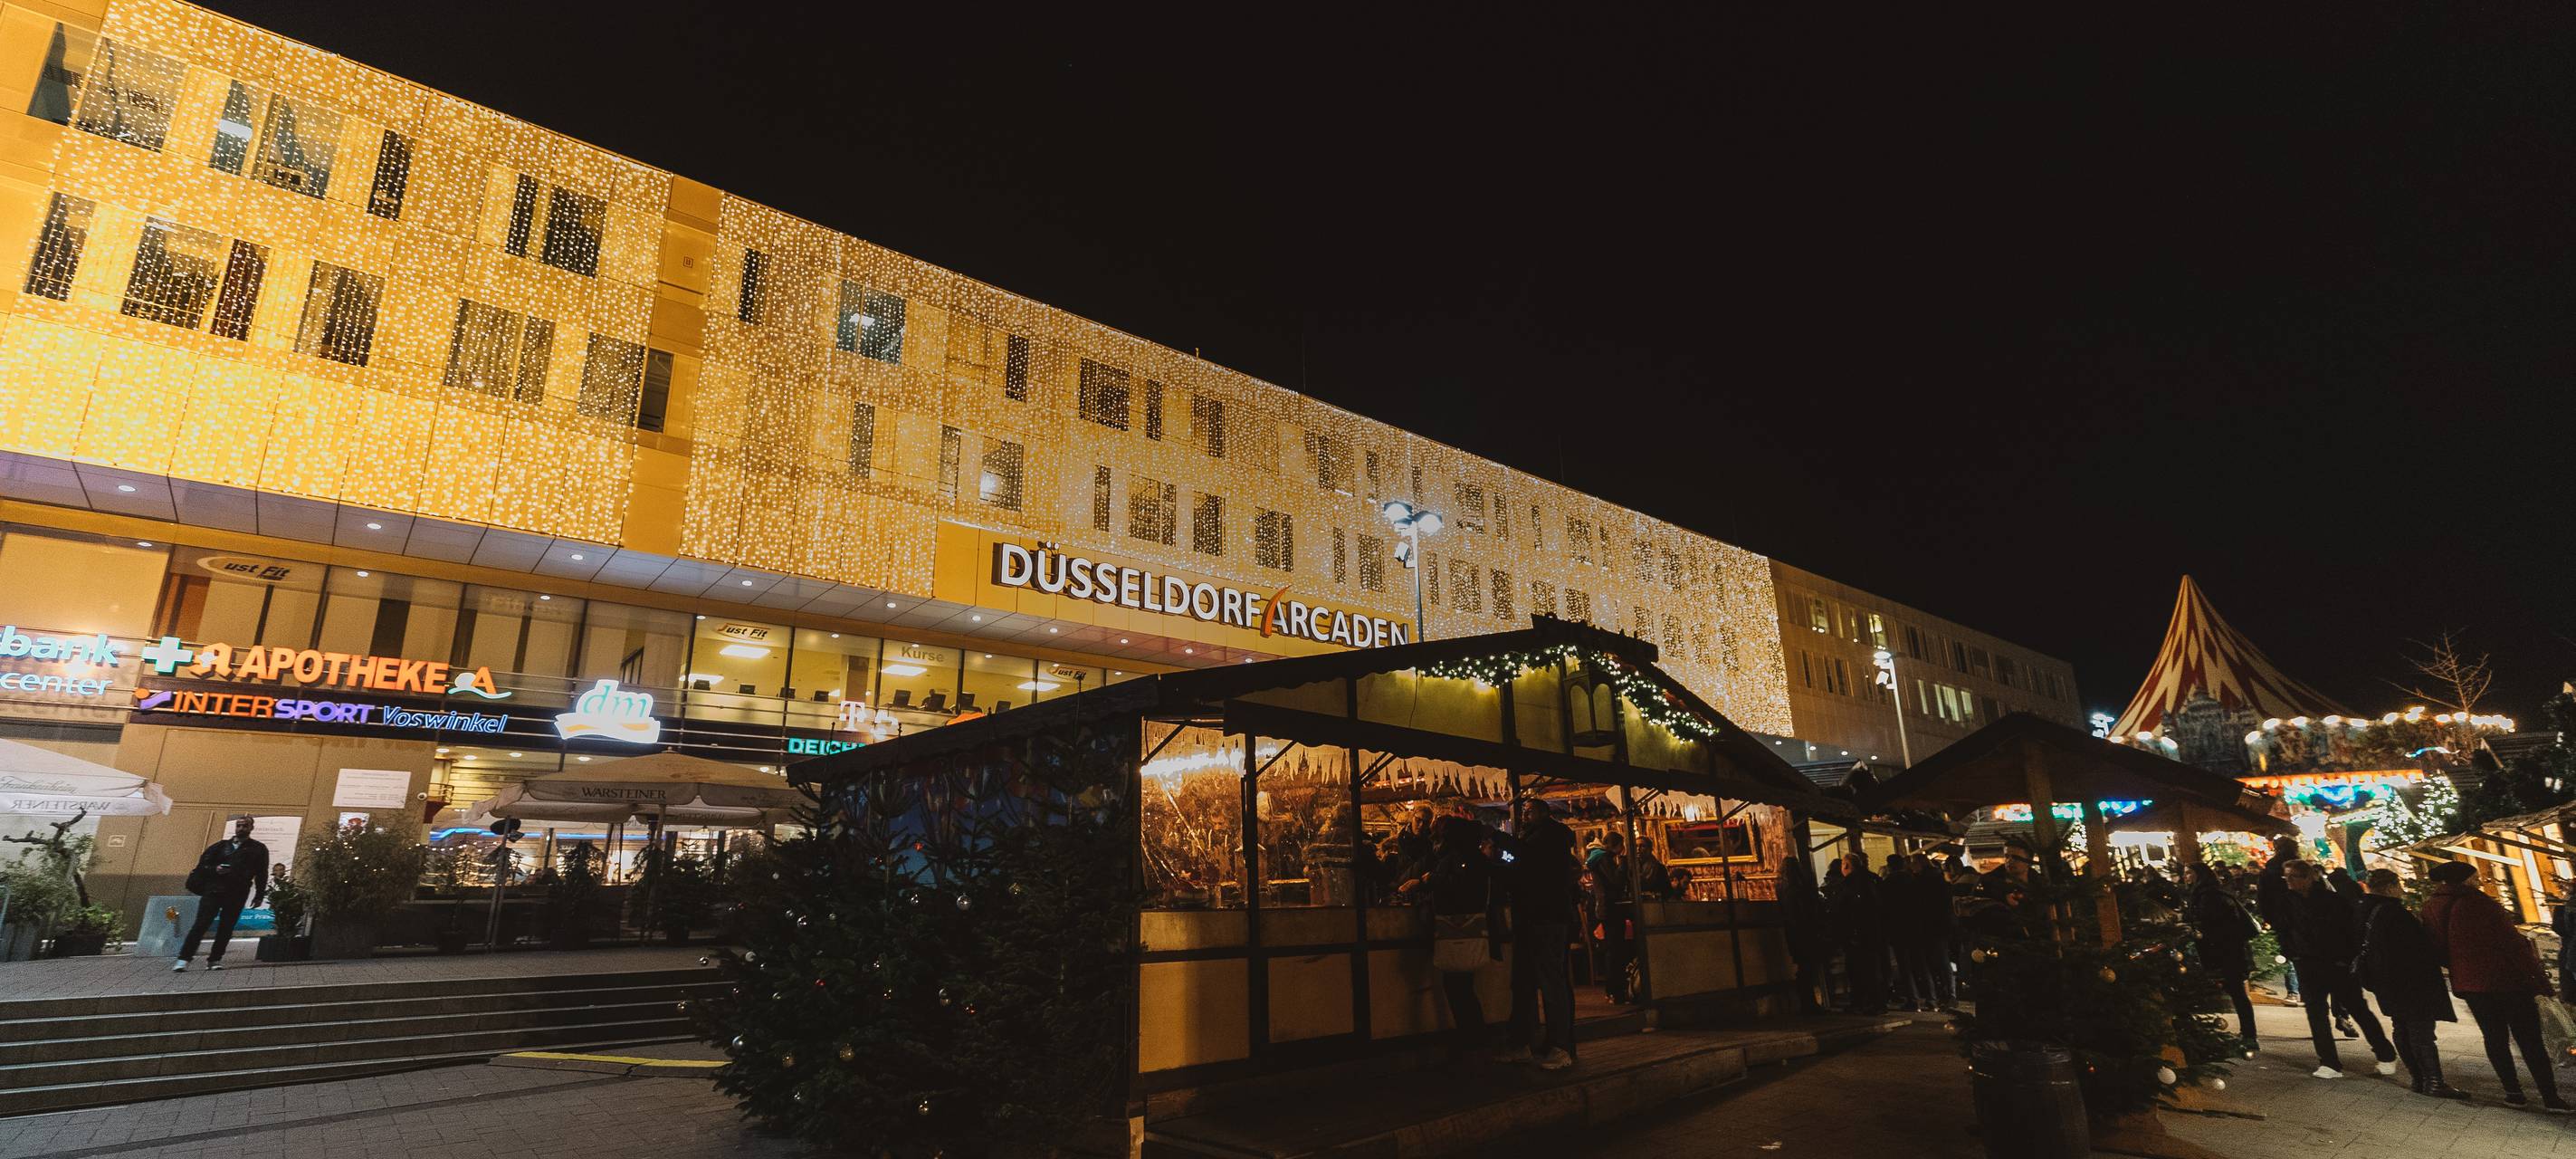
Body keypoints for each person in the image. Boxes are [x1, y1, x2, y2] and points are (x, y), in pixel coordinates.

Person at [2422, 860, 2571, 1111]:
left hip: (2470, 983)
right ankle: (2550, 1096)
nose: (2480, 881)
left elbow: (2436, 946)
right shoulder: (2480, 904)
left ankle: (2513, 1093)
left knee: (2494, 1037)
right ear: (2466, 880)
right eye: (2476, 877)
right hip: (2506, 981)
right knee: (2529, 1039)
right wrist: (2540, 982)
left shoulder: (2431, 907)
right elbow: (2514, 946)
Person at [2280, 859, 2397, 1078]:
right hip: (2307, 964)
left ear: (2307, 877)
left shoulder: (2331, 901)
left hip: (2336, 964)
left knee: (2358, 1009)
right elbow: (2285, 931)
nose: (2289, 882)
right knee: (2316, 1014)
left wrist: (2345, 958)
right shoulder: (2288, 903)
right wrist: (2292, 953)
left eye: (2293, 877)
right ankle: (2329, 1063)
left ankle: (2385, 1053)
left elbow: (2348, 930)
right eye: (2286, 877)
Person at [2357, 869, 2466, 1099]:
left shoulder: (2364, 910)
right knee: (2421, 1032)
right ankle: (2433, 1081)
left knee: (2402, 1027)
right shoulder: (2394, 913)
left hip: (2385, 981)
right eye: (2398, 885)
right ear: (2390, 887)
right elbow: (2417, 949)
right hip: (2411, 981)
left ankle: (2419, 1078)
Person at [1493, 809, 1579, 1070]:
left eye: (1530, 810)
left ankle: (1559, 1047)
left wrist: (1498, 843)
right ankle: (1528, 1042)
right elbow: (1520, 866)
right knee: (1527, 982)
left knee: (1547, 982)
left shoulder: (1546, 841)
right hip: (1535, 918)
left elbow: (1525, 863)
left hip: (1544, 919)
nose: (1523, 815)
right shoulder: (1540, 842)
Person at [1417, 815, 1495, 1055]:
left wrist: (1430, 880)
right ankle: (1473, 1036)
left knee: (1457, 986)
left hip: (1455, 925)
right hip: (1471, 925)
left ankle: (1471, 1037)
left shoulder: (1456, 858)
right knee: (1463, 986)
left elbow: (1455, 886)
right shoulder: (1475, 856)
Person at [176, 816, 269, 972]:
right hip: (214, 890)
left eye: (245, 826)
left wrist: (259, 895)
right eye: (239, 825)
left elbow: (262, 873)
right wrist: (215, 869)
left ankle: (215, 959)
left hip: (237, 892)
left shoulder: (258, 849)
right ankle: (183, 959)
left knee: (226, 928)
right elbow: (202, 866)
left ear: (251, 828)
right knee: (200, 925)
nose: (241, 828)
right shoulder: (219, 846)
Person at [2186, 863, 2260, 1048]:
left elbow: (2216, 924)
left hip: (2228, 951)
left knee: (2237, 992)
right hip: (2227, 950)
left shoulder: (2210, 895)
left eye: (2189, 873)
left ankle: (2250, 1036)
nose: (2186, 876)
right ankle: (2248, 1034)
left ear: (2199, 875)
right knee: (2236, 992)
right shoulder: (2209, 893)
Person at [1829, 851, 1887, 1015]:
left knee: (1859, 970)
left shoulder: (1851, 884)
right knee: (1872, 969)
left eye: (1843, 864)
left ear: (1846, 866)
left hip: (1858, 935)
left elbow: (1851, 911)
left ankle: (1866, 1002)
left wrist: (1852, 932)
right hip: (1873, 933)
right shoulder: (1872, 879)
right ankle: (1876, 1002)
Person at [1589, 830, 1634, 1003]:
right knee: (1616, 949)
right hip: (1611, 908)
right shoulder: (1604, 859)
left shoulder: (1599, 858)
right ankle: (1616, 992)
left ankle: (1613, 990)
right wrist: (1623, 862)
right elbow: (1616, 881)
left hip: (1605, 908)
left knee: (1614, 949)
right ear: (1617, 845)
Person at [1780, 855, 1829, 1014]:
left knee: (1804, 968)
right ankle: (1809, 1003)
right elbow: (1807, 913)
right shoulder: (1799, 890)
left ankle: (1807, 1002)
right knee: (1808, 968)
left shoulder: (1784, 889)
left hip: (1794, 935)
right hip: (1805, 933)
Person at [1881, 853, 1930, 1011]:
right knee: (1920, 964)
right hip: (1915, 927)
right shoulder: (1912, 879)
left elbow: (1885, 907)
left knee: (1905, 966)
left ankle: (1913, 999)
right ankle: (1931, 998)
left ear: (1889, 866)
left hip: (1898, 928)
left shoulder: (1888, 882)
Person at [1912, 852, 1960, 1010]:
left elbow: (1919, 906)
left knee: (1932, 964)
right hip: (1941, 927)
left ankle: (1939, 997)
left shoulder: (1919, 882)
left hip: (1928, 927)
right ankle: (1949, 995)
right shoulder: (1940, 880)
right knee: (1942, 962)